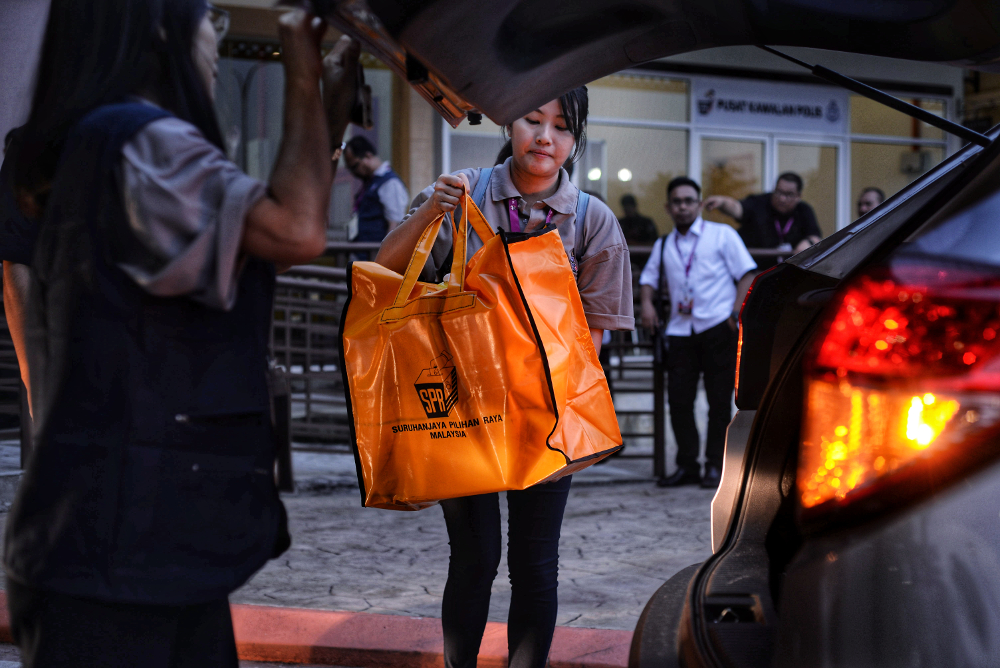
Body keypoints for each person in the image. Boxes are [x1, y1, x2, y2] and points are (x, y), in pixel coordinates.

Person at [3, 2, 359, 666]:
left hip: (119, 544)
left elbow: (266, 236)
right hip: (120, 554)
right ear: (155, 27)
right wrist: (302, 75)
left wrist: (324, 113)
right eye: (206, 17)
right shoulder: (141, 140)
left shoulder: (93, 137)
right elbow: (296, 230)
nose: (215, 35)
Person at [375, 88, 633, 668]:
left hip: (548, 418)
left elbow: (595, 338)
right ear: (506, 121)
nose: (546, 138)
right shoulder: (460, 193)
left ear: (576, 138)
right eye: (532, 120)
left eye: (563, 127)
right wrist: (430, 213)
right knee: (473, 557)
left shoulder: (592, 220)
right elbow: (386, 269)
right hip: (462, 412)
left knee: (535, 564)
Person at [639, 177, 756, 489]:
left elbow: (747, 274)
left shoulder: (722, 235)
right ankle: (687, 465)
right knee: (679, 401)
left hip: (718, 327)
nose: (683, 206)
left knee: (719, 404)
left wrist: (734, 314)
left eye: (689, 200)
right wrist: (647, 304)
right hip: (679, 331)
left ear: (700, 204)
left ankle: (715, 467)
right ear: (668, 207)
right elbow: (648, 279)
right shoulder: (664, 244)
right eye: (677, 202)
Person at [702, 172, 821, 270]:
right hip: (754, 271)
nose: (782, 198)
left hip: (789, 273)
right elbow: (737, 208)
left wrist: (808, 243)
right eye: (779, 192)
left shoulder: (804, 210)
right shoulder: (759, 203)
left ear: (798, 196)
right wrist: (722, 202)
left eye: (789, 194)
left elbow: (815, 236)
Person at [342, 134, 409, 243]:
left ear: (368, 156)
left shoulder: (389, 182)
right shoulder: (371, 181)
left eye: (355, 166)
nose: (353, 172)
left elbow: (395, 224)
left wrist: (384, 256)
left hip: (374, 254)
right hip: (362, 251)